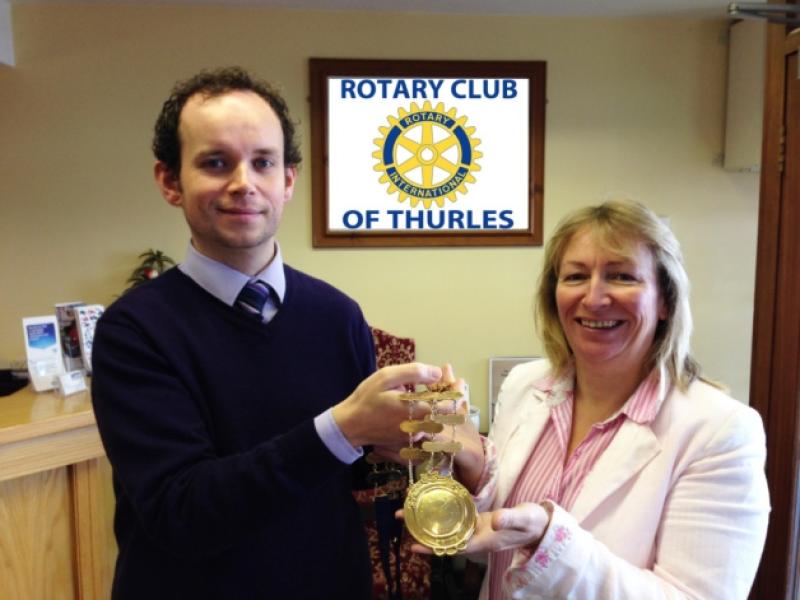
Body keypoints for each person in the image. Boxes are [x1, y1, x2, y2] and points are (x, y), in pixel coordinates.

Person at [91, 67, 443, 599]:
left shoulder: (337, 315)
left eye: (263, 162)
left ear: (288, 180)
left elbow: (345, 479)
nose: (243, 183)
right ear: (169, 181)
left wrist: (423, 445)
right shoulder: (133, 332)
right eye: (215, 162)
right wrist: (342, 429)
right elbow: (182, 512)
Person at [435, 200, 770, 599]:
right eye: (576, 276)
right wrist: (472, 467)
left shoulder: (721, 431)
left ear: (665, 300)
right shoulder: (525, 386)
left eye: (622, 276)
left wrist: (550, 542)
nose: (594, 299)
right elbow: (491, 551)